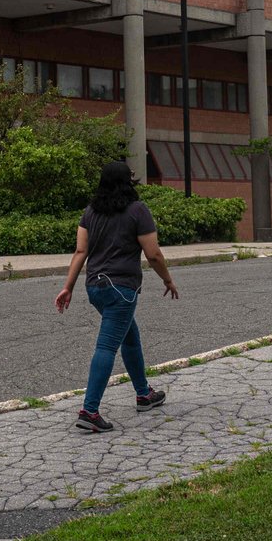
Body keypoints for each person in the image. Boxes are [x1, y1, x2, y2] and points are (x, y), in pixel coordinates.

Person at [55, 160, 179, 433]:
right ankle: (89, 411)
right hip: (121, 289)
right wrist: (167, 279)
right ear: (127, 181)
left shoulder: (90, 212)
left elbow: (80, 252)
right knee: (107, 347)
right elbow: (154, 254)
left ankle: (144, 394)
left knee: (130, 337)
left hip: (95, 288)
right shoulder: (138, 211)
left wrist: (68, 286)